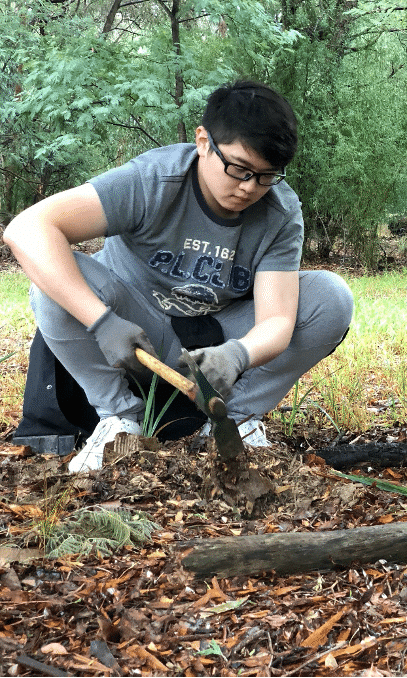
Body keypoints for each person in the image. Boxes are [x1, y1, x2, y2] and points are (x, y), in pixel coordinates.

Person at [4, 81, 354, 472]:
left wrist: (239, 355)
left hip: (218, 335)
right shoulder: (154, 180)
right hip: (135, 326)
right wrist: (101, 322)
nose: (249, 188)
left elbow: (277, 320)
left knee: (331, 297)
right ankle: (120, 421)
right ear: (204, 141)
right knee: (50, 285)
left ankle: (234, 419)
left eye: (266, 175)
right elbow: (28, 229)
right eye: (239, 168)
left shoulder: (279, 212)